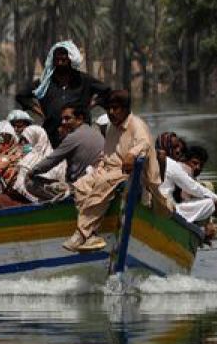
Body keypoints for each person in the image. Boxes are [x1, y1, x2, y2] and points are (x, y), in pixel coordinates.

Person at [64, 90, 163, 253]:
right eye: (109, 108)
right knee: (81, 184)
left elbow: (144, 144)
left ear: (126, 108)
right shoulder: (111, 128)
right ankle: (91, 234)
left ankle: (81, 233)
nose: (111, 112)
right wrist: (99, 170)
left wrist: (132, 154)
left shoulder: (137, 125)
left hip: (133, 175)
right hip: (112, 170)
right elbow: (107, 156)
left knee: (104, 182)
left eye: (116, 108)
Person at [16, 41, 110, 147]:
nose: (60, 63)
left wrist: (91, 105)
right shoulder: (45, 82)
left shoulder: (83, 80)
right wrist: (40, 112)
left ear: (70, 60)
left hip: (79, 135)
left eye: (63, 60)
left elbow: (106, 91)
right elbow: (21, 96)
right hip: (52, 134)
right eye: (57, 60)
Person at [161, 144, 217, 236]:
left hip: (170, 208)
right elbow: (192, 187)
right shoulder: (174, 166)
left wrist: (210, 221)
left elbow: (194, 187)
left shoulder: (168, 164)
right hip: (167, 208)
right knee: (210, 203)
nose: (198, 167)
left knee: (208, 192)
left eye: (201, 165)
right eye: (194, 163)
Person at [32, 104, 104, 187]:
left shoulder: (74, 136)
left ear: (80, 119)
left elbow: (51, 161)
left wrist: (31, 172)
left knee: (31, 183)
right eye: (62, 119)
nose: (63, 122)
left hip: (80, 186)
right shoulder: (96, 133)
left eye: (67, 118)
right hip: (95, 182)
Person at [11, 124, 66, 203]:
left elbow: (19, 187)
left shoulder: (27, 161)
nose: (23, 144)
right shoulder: (57, 159)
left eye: (26, 141)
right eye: (22, 140)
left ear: (36, 139)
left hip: (31, 202)